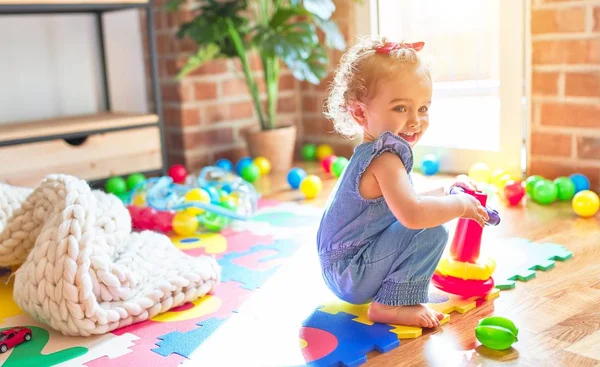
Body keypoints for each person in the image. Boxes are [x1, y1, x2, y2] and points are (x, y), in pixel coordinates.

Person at [316, 36, 489, 328]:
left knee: (428, 218)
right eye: (400, 108)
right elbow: (412, 215)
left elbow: (404, 201)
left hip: (344, 267)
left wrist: (448, 191)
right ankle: (389, 306)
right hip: (352, 271)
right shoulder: (385, 159)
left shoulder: (376, 153)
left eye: (423, 109)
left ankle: (391, 296)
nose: (415, 121)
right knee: (431, 232)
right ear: (360, 112)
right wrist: (459, 205)